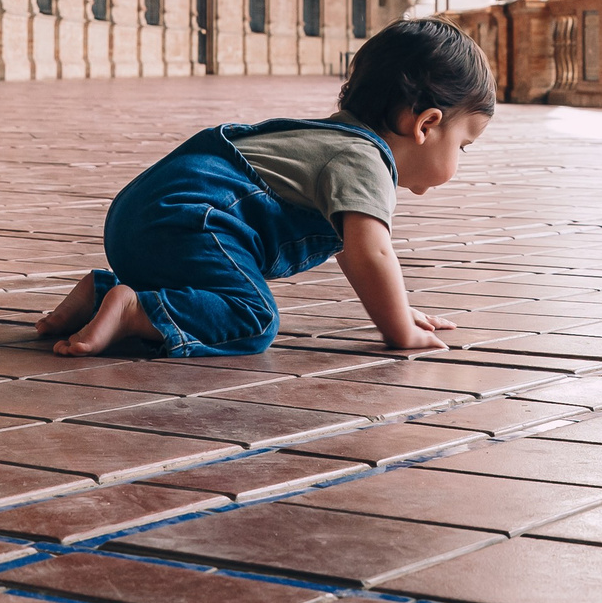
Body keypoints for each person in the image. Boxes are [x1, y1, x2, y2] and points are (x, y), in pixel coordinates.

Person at [39, 20, 497, 358]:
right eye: (464, 145)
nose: (461, 156)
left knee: (206, 286)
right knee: (252, 318)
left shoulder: (325, 139)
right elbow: (370, 253)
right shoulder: (363, 160)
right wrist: (401, 331)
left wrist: (395, 306)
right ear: (426, 124)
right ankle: (132, 309)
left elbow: (352, 250)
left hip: (140, 215)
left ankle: (101, 292)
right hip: (195, 220)